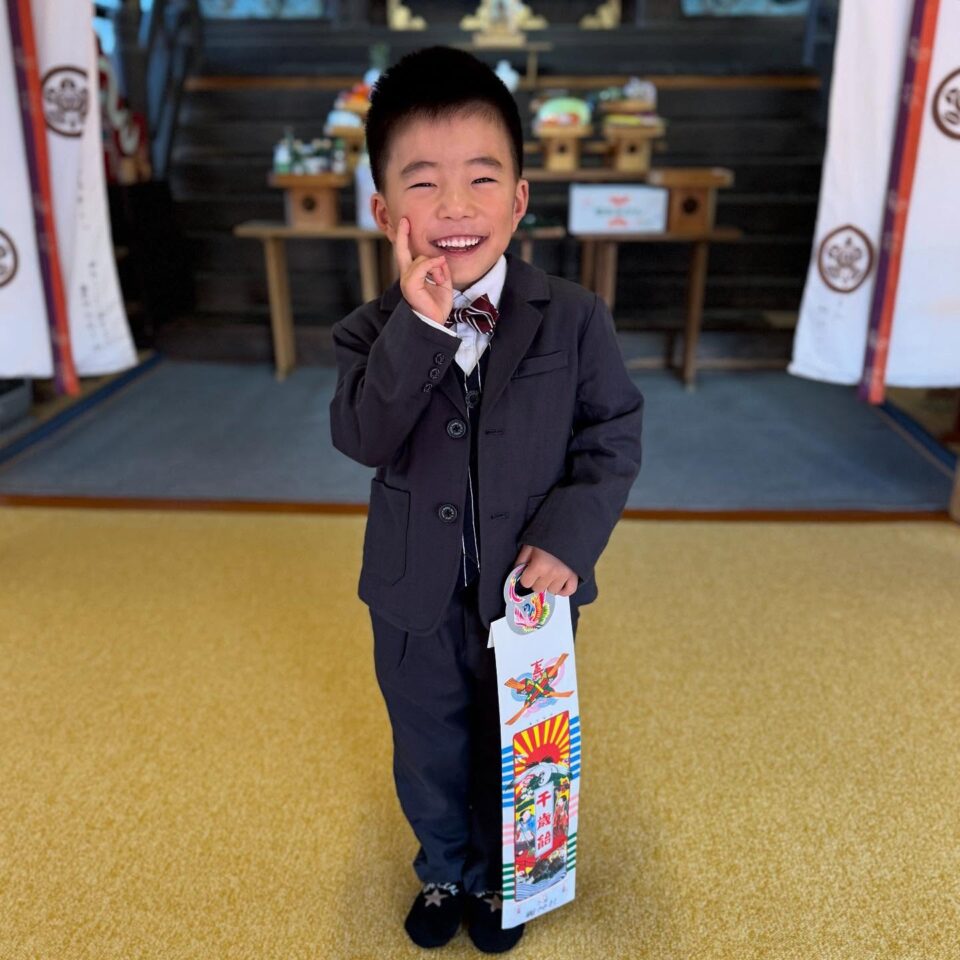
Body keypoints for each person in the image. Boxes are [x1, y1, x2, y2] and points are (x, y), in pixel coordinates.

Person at [329, 45, 644, 954]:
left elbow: (612, 435)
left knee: (521, 743)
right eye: (423, 185)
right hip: (411, 601)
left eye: (481, 178)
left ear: (519, 198)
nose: (455, 207)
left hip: (530, 593)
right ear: (386, 212)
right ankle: (445, 867)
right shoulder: (368, 332)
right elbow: (363, 438)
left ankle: (509, 874)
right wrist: (420, 327)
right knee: (427, 743)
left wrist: (568, 540)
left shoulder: (575, 317)